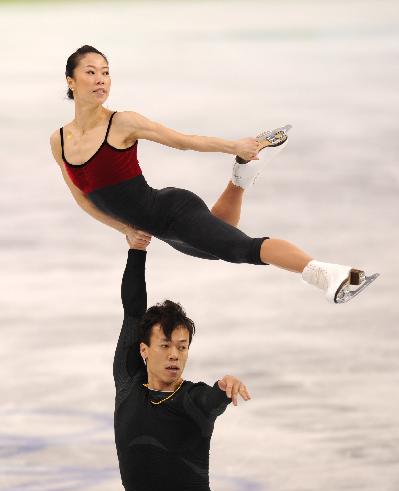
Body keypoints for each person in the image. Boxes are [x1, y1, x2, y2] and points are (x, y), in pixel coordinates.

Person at [50, 45, 378, 303]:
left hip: (172, 211)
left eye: (105, 73)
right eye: (91, 72)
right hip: (161, 229)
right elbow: (82, 198)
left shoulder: (122, 122)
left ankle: (333, 276)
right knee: (220, 239)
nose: (100, 80)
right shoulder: (59, 141)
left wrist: (234, 144)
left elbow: (184, 141)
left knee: (241, 249)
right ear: (70, 81)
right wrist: (124, 229)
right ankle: (241, 177)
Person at [114, 229, 250, 491]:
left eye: (182, 346)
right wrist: (137, 251)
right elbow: (133, 309)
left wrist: (225, 388)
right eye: (165, 346)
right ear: (145, 350)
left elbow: (212, 399)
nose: (174, 355)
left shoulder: (192, 399)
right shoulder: (129, 379)